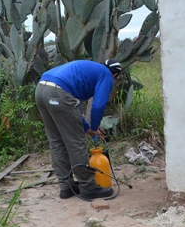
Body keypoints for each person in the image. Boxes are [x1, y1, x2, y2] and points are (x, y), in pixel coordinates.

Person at [35, 59, 123, 200]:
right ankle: (88, 187)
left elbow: (73, 110)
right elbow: (99, 105)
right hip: (59, 93)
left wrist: (87, 128)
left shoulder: (90, 70)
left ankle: (66, 187)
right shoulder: (106, 74)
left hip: (41, 89)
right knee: (76, 143)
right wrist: (94, 127)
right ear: (115, 74)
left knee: (57, 142)